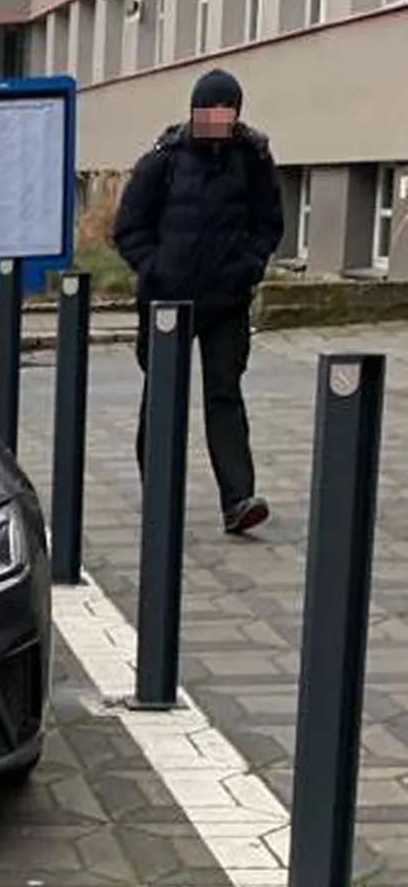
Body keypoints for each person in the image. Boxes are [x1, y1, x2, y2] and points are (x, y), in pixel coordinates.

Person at [113, 67, 284, 536]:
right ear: (194, 111)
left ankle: (238, 499)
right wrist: (156, 269)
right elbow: (128, 228)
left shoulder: (253, 159)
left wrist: (249, 265)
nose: (216, 117)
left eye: (225, 110)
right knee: (163, 396)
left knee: (225, 396)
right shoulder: (163, 160)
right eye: (208, 109)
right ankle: (160, 493)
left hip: (226, 302)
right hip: (167, 303)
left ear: (236, 114)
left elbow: (269, 223)